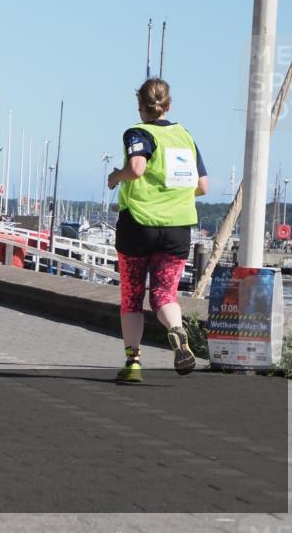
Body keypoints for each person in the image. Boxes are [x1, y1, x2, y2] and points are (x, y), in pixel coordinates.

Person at [107, 78, 208, 384]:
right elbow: (202, 186)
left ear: (141, 107)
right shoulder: (185, 137)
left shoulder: (139, 133)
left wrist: (115, 176)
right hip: (177, 228)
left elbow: (137, 168)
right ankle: (176, 330)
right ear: (169, 106)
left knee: (133, 297)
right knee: (165, 294)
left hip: (139, 226)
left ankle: (133, 363)